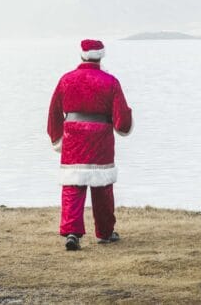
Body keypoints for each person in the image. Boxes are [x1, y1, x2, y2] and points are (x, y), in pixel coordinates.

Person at [47, 38, 133, 251]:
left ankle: (72, 232)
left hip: (74, 139)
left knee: (73, 187)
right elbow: (122, 120)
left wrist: (57, 138)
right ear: (101, 56)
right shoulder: (111, 82)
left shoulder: (66, 80)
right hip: (100, 140)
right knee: (103, 188)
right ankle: (105, 232)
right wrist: (124, 124)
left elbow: (54, 112)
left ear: (81, 55)